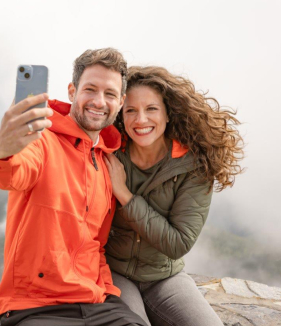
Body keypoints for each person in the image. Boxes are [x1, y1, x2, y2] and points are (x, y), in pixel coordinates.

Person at [0, 48, 147, 326]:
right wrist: (3, 149)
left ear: (119, 102)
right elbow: (9, 173)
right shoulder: (41, 140)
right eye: (90, 89)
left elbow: (94, 243)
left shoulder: (106, 160)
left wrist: (104, 288)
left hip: (98, 303)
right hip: (35, 306)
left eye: (109, 94)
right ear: (72, 91)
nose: (98, 101)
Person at [103, 66, 244, 326]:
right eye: (131, 110)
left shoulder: (193, 166)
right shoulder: (109, 154)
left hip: (164, 277)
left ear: (169, 113)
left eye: (151, 109)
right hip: (112, 272)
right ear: (121, 115)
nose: (140, 119)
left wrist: (123, 193)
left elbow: (178, 243)